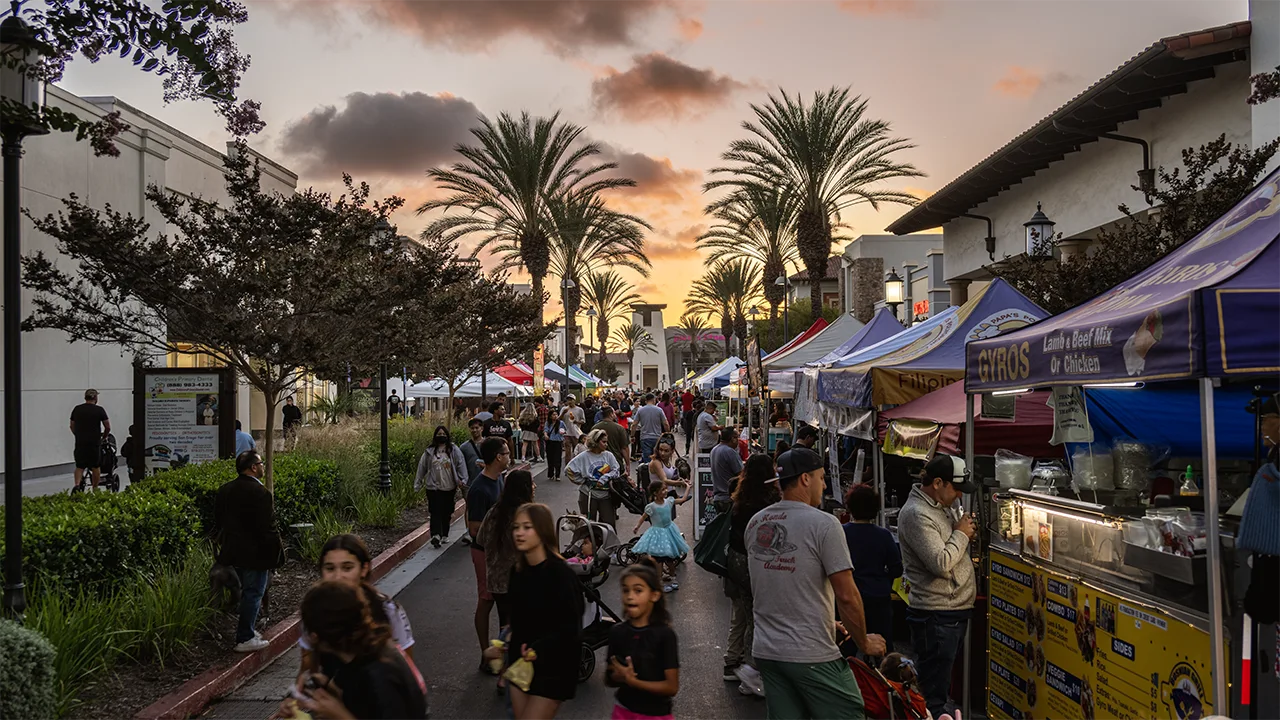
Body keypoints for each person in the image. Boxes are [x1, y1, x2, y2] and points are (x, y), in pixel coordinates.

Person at [745, 447, 885, 720]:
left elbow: (775, 585)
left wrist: (824, 620)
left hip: (767, 651)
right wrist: (864, 642)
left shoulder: (757, 522)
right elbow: (847, 595)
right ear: (805, 479)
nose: (824, 485)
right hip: (810, 654)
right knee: (849, 712)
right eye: (821, 477)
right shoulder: (825, 524)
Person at [283, 534, 416, 703]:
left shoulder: (387, 610)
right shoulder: (313, 613)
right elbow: (308, 669)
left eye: (347, 568)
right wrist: (295, 700)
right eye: (330, 568)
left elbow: (407, 670)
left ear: (364, 569)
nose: (338, 577)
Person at [482, 503, 582, 720]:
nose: (519, 532)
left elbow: (570, 629)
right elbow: (517, 622)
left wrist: (539, 648)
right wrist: (502, 645)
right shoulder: (517, 572)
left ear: (542, 530)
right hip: (521, 663)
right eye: (516, 527)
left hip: (553, 667)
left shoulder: (561, 574)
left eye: (527, 527)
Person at [897, 453, 978, 720]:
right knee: (933, 692)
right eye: (955, 489)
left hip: (950, 611)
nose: (958, 496)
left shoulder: (939, 506)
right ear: (938, 483)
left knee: (938, 686)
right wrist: (961, 534)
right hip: (937, 614)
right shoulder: (916, 514)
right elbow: (941, 563)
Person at [288, 581, 427, 720]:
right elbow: (343, 689)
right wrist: (309, 689)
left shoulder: (379, 674)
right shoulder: (361, 652)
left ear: (314, 637)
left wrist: (340, 715)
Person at [722, 453, 780, 696]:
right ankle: (751, 669)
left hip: (736, 560)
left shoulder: (740, 495)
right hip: (755, 562)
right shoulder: (768, 501)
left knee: (743, 614)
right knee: (756, 617)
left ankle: (737, 663)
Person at [214, 450, 283, 652]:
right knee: (254, 593)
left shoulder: (225, 490)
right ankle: (245, 637)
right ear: (253, 467)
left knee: (246, 592)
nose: (263, 466)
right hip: (255, 554)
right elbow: (266, 528)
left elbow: (219, 521)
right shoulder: (261, 494)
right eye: (261, 463)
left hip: (232, 552)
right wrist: (275, 554)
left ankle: (249, 631)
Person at [606, 559, 681, 720]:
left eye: (638, 591)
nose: (630, 596)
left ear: (654, 595)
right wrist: (618, 675)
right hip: (623, 711)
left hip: (656, 714)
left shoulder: (665, 635)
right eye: (626, 591)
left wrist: (634, 682)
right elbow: (609, 677)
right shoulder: (617, 632)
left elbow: (671, 686)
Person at [477, 470, 537, 656]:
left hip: (496, 580)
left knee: (506, 623)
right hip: (518, 580)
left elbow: (480, 539)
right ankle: (508, 667)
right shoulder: (525, 516)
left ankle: (499, 660)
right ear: (525, 488)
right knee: (519, 626)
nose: (535, 487)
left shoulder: (495, 511)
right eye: (531, 483)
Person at [842, 485, 902, 647]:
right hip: (878, 598)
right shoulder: (884, 536)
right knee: (882, 646)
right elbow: (897, 568)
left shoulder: (841, 533)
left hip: (849, 596)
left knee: (847, 645)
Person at [469, 437, 509, 670]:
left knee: (501, 598)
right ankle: (486, 653)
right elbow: (474, 529)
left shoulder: (500, 479)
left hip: (499, 552)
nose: (508, 455)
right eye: (506, 452)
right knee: (486, 600)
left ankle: (499, 650)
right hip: (483, 552)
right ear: (498, 457)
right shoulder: (479, 489)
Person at [631, 480, 692, 592]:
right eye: (662, 490)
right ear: (655, 493)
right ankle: (659, 583)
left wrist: (687, 487)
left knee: (670, 559)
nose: (665, 491)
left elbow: (683, 499)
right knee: (659, 560)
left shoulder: (669, 501)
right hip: (658, 534)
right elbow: (644, 517)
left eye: (665, 489)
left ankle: (673, 578)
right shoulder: (651, 507)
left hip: (669, 532)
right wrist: (637, 526)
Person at [417, 425, 467, 548]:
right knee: (435, 511)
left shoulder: (453, 450)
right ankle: (436, 535)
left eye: (443, 434)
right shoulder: (429, 452)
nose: (441, 436)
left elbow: (460, 464)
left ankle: (444, 533)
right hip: (433, 487)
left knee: (447, 511)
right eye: (438, 434)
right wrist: (418, 482)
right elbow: (422, 467)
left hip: (449, 487)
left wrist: (463, 479)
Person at [565, 428, 623, 528]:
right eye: (603, 442)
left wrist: (605, 477)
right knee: (588, 525)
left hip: (606, 495)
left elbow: (616, 470)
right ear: (595, 442)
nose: (606, 444)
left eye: (606, 442)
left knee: (608, 524)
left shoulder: (609, 455)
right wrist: (582, 481)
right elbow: (569, 470)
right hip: (588, 494)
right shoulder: (583, 456)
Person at [69, 388, 111, 491]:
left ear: (85, 397)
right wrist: (104, 437)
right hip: (94, 443)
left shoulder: (77, 409)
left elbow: (71, 425)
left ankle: (77, 485)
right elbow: (107, 426)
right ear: (95, 398)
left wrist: (77, 435)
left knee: (79, 466)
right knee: (95, 466)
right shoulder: (99, 410)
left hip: (80, 442)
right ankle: (95, 488)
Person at [710, 428, 743, 516]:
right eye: (737, 437)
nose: (738, 441)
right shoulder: (730, 452)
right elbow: (741, 473)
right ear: (732, 438)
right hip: (728, 498)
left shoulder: (714, 450)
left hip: (718, 497)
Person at [633, 394, 670, 464]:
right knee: (657, 458)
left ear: (646, 401)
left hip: (644, 437)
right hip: (657, 437)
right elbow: (665, 423)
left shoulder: (640, 410)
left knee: (647, 459)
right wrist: (668, 433)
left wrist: (632, 435)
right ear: (654, 400)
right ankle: (657, 471)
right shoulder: (659, 410)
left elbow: (634, 424)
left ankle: (649, 471)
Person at [560, 395, 584, 463]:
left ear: (574, 400)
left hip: (576, 433)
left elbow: (583, 420)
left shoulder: (579, 410)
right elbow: (559, 419)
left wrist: (577, 422)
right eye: (568, 400)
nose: (569, 401)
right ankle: (568, 467)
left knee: (576, 451)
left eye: (571, 400)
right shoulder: (564, 409)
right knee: (567, 452)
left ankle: (576, 465)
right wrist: (563, 413)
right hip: (566, 433)